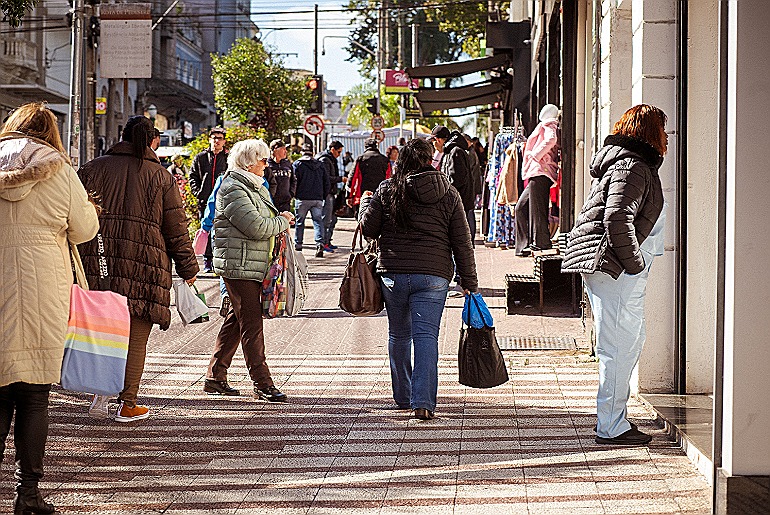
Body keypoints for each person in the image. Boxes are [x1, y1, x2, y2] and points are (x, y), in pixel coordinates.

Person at [0, 102, 99, 515]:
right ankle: (28, 496)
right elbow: (85, 229)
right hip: (43, 291)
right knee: (35, 395)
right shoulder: (59, 168)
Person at [78, 115, 199, 423]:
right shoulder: (161, 177)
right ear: (151, 141)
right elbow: (176, 227)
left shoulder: (92, 169)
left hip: (98, 261)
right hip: (146, 265)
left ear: (122, 136)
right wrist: (187, 267)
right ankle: (127, 402)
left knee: (100, 331)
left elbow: (74, 217)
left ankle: (98, 391)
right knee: (135, 335)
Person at [562, 104, 667, 446]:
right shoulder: (632, 166)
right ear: (651, 132)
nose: (667, 138)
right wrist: (635, 265)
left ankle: (614, 420)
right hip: (617, 269)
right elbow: (617, 219)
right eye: (663, 130)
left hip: (614, 268)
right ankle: (611, 427)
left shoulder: (629, 164)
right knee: (619, 347)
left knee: (626, 343)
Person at [359, 138, 477, 421]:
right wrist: (469, 281)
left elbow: (368, 229)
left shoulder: (388, 189)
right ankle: (422, 403)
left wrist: (365, 204)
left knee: (399, 335)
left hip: (394, 275)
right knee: (426, 337)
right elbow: (462, 241)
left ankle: (402, 396)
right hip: (434, 276)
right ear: (430, 160)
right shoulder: (449, 193)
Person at [205, 139, 294, 402]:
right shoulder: (232, 187)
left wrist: (277, 221)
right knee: (252, 324)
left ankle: (215, 376)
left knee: (236, 319)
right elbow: (255, 226)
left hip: (252, 263)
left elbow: (263, 222)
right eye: (263, 159)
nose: (267, 164)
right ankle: (262, 382)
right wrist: (282, 221)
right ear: (248, 162)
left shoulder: (254, 187)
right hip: (238, 265)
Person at [514, 104, 561, 255]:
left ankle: (541, 242)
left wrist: (535, 155)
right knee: (522, 207)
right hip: (538, 171)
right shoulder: (547, 124)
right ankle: (526, 245)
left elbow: (551, 139)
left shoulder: (548, 124)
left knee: (537, 208)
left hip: (541, 171)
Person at [189, 127, 228, 272]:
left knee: (220, 232)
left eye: (220, 138)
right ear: (209, 139)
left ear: (224, 141)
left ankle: (218, 261)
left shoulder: (228, 159)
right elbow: (192, 176)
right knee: (205, 230)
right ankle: (207, 261)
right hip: (204, 201)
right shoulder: (201, 157)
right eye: (214, 138)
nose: (217, 141)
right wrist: (198, 192)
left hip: (222, 203)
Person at [293, 143, 330, 257]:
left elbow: (293, 182)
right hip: (317, 199)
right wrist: (322, 196)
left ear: (302, 152)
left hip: (302, 198)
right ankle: (319, 244)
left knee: (299, 222)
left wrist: (294, 194)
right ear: (313, 153)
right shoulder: (320, 164)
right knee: (318, 222)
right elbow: (327, 182)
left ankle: (298, 245)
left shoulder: (297, 164)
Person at [347, 138, 391, 214]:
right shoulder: (385, 160)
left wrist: (349, 196)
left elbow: (353, 178)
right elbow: (388, 178)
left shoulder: (361, 159)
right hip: (380, 196)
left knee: (362, 219)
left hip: (362, 196)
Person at [316, 140, 344, 252]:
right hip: (326, 193)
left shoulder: (331, 159)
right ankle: (323, 244)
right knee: (326, 220)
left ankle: (327, 241)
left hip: (331, 193)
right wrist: (340, 179)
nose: (339, 155)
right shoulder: (325, 160)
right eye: (338, 152)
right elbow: (327, 178)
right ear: (332, 149)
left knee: (333, 219)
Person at [266, 139, 296, 212]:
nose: (286, 151)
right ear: (275, 149)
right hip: (271, 202)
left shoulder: (287, 164)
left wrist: (291, 194)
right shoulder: (266, 165)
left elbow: (293, 180)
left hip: (285, 203)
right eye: (283, 149)